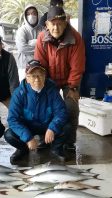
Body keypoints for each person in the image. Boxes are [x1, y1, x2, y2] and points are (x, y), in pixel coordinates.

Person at [34, 6, 85, 151]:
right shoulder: (41, 39)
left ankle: (69, 142)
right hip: (49, 80)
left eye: (59, 23)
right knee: (46, 108)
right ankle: (46, 138)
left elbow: (77, 66)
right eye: (52, 23)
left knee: (71, 108)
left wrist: (73, 87)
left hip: (70, 80)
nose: (56, 27)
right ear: (47, 25)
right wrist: (45, 88)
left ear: (65, 22)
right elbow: (40, 65)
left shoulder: (76, 38)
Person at [4, 59, 71, 164]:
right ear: (27, 77)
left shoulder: (52, 90)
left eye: (40, 75)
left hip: (47, 125)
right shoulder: (19, 93)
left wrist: (52, 128)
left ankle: (56, 148)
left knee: (67, 127)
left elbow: (61, 112)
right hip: (28, 127)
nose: (37, 79)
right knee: (9, 135)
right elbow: (13, 119)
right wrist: (28, 137)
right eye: (33, 75)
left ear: (45, 76)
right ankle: (23, 149)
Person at [15, 4, 43, 81]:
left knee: (39, 89)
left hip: (40, 66)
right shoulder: (21, 30)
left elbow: (46, 46)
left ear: (37, 15)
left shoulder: (43, 29)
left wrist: (31, 43)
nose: (31, 16)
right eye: (28, 14)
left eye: (34, 13)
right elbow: (22, 48)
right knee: (25, 90)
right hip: (24, 66)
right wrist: (38, 44)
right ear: (25, 16)